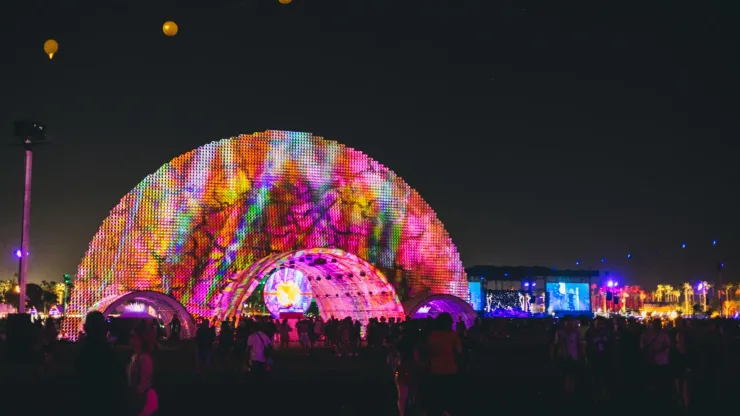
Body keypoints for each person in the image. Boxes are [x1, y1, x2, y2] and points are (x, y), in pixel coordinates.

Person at [74, 311, 128, 415]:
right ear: (104, 329)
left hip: (86, 403)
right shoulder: (109, 353)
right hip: (106, 404)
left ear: (85, 328)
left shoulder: (81, 351)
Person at [423, 313, 462, 416]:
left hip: (435, 370)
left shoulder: (432, 335)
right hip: (450, 369)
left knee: (437, 395)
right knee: (449, 395)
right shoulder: (452, 335)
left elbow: (428, 351)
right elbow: (459, 351)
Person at [129, 323, 158, 416]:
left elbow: (144, 383)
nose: (131, 339)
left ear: (141, 339)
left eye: (134, 336)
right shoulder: (137, 356)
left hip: (144, 400)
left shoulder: (144, 358)